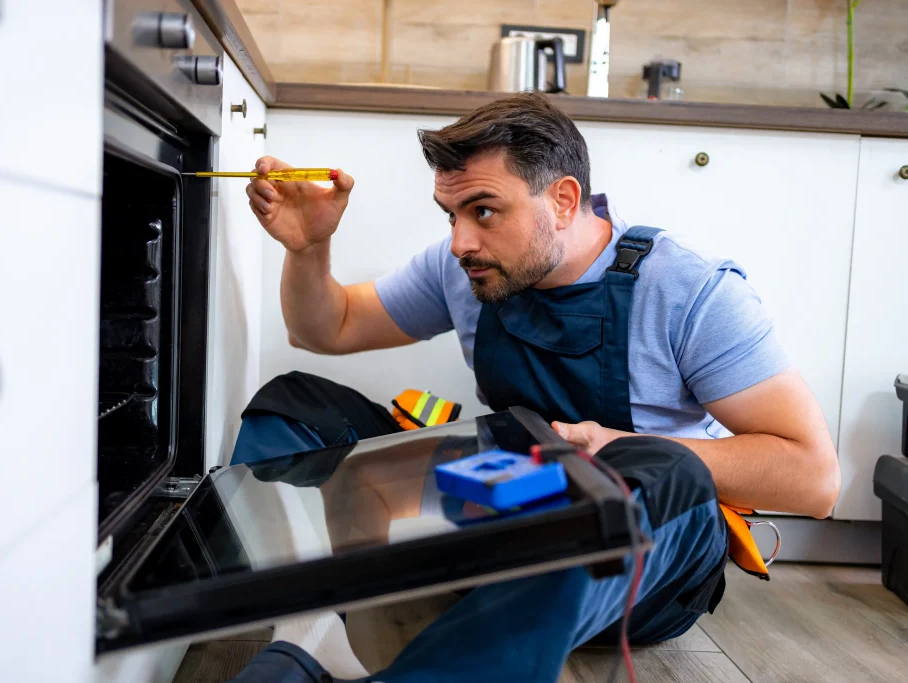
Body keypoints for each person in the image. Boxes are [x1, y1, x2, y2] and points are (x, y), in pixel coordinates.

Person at [226, 92, 841, 682]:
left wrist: (617, 446)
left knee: (656, 467)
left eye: (484, 211)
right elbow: (325, 328)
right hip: (511, 505)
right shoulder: (463, 265)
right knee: (296, 409)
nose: (461, 241)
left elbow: (815, 478)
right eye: (452, 215)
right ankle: (312, 621)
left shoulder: (690, 290)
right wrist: (310, 248)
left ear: (565, 201)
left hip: (649, 552)